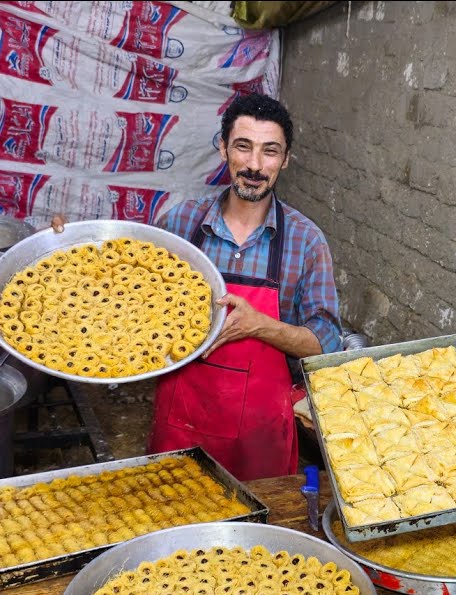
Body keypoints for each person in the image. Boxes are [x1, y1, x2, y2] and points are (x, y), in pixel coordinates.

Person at [145, 92, 341, 481]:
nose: (254, 165)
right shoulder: (180, 225)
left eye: (270, 152)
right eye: (243, 147)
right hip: (179, 426)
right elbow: (128, 302)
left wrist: (259, 325)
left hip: (261, 438)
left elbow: (326, 344)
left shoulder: (306, 242)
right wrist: (66, 249)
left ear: (285, 160)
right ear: (223, 149)